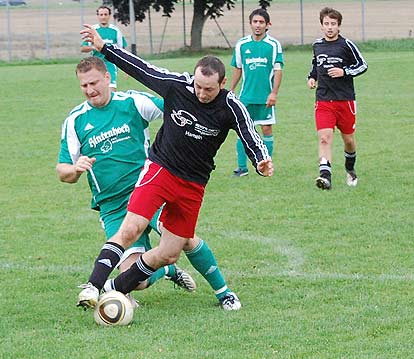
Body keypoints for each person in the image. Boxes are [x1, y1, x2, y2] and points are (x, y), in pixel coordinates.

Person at [76, 25, 274, 312]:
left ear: (221, 85)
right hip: (160, 170)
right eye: (198, 86)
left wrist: (260, 159)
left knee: (169, 253)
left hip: (193, 184)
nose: (201, 93)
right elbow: (141, 68)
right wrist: (105, 48)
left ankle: (113, 289)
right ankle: (93, 286)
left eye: (208, 89)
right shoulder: (177, 86)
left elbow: (249, 133)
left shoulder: (231, 106)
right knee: (131, 228)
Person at [57, 56, 240, 310]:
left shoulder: (132, 102)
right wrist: (75, 170)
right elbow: (62, 170)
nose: (90, 90)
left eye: (94, 83)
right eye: (84, 86)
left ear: (108, 78)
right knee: (137, 281)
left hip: (148, 191)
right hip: (112, 207)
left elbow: (175, 104)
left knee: (183, 239)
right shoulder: (75, 120)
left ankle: (224, 292)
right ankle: (167, 271)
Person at [307, 7, 367, 190]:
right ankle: (325, 177)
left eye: (333, 24)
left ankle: (350, 168)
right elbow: (315, 65)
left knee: (348, 140)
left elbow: (362, 65)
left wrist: (344, 71)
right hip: (324, 100)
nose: (330, 27)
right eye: (326, 24)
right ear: (322, 25)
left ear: (339, 26)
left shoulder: (346, 45)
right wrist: (312, 78)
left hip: (345, 100)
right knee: (325, 138)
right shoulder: (317, 45)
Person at [229, 3, 283, 177]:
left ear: (268, 24)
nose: (258, 25)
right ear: (250, 23)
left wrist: (274, 93)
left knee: (266, 129)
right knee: (242, 131)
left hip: (265, 97)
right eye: (255, 21)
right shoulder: (242, 45)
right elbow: (237, 68)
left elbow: (278, 70)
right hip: (245, 97)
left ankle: (267, 165)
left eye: (261, 22)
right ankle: (242, 168)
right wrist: (230, 90)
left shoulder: (273, 45)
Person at [80, 5, 127, 90]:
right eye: (101, 15)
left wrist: (126, 69)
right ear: (97, 16)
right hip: (96, 65)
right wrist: (94, 47)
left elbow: (122, 51)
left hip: (111, 65)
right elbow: (83, 48)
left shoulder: (115, 31)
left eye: (105, 14)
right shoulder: (93, 30)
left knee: (111, 91)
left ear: (109, 16)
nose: (103, 17)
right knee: (97, 91)